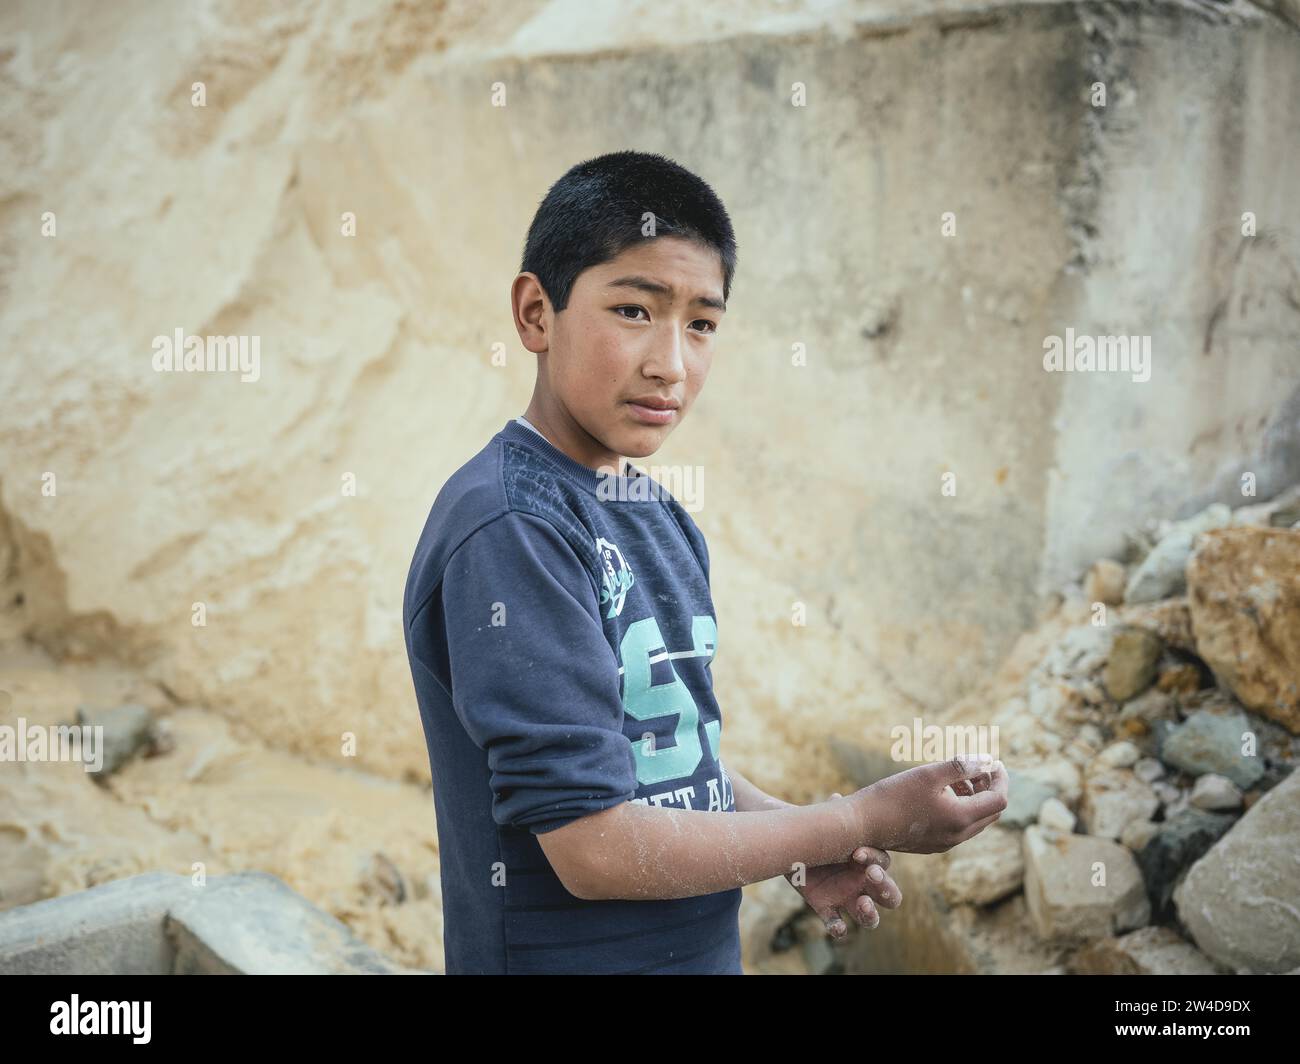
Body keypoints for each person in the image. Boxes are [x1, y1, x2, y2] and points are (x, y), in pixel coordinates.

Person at [402, 150, 1008, 975]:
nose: (671, 363)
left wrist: (797, 846)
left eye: (701, 324)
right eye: (632, 310)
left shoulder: (659, 517)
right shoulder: (514, 528)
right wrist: (857, 821)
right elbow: (595, 847)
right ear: (536, 313)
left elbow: (674, 761)